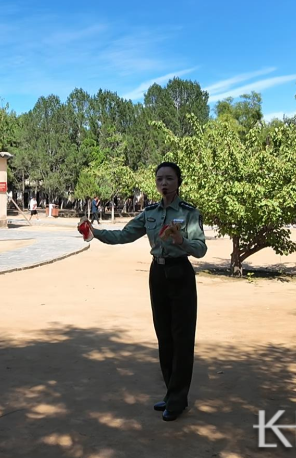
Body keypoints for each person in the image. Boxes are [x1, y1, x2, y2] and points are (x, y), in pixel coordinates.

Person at [80, 162, 207, 422]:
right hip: (157, 274)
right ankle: (171, 394)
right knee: (164, 337)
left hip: (180, 274)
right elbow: (124, 235)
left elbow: (201, 249)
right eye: (160, 179)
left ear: (178, 182)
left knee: (182, 338)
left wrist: (181, 240)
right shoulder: (150, 213)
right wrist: (95, 232)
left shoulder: (189, 213)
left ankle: (177, 400)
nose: (164, 183)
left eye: (169, 178)